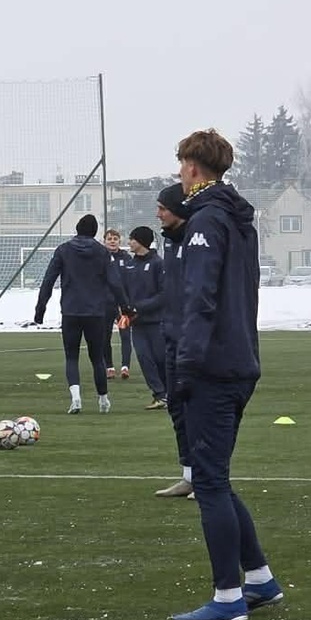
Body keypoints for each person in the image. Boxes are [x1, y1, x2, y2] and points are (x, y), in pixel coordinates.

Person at [169, 130, 282, 620]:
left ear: (194, 167)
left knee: (208, 482)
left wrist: (185, 365)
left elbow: (200, 299)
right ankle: (259, 580)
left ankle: (227, 598)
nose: (178, 173)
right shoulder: (238, 220)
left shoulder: (207, 221)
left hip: (212, 367)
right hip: (240, 361)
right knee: (219, 477)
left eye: (180, 164)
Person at [32, 214, 130, 413]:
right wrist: (125, 306)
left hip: (70, 310)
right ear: (95, 232)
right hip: (95, 312)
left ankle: (75, 397)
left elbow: (48, 280)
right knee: (97, 357)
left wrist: (40, 309)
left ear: (77, 229)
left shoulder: (64, 250)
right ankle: (103, 399)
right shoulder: (102, 253)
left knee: (71, 356)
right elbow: (114, 282)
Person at [154, 184, 194, 498]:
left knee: (199, 410)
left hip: (193, 340)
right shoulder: (170, 243)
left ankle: (207, 477)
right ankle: (189, 475)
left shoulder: (197, 239)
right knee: (176, 408)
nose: (158, 213)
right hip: (172, 337)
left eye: (162, 208)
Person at [123, 226, 168, 405]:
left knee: (161, 359)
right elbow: (124, 290)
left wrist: (139, 307)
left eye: (132, 239)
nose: (129, 242)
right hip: (137, 324)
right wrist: (123, 309)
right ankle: (159, 394)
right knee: (144, 358)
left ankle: (169, 393)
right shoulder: (130, 264)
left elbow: (164, 295)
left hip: (156, 322)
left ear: (141, 241)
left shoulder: (158, 263)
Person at [102, 229, 132, 380]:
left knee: (125, 334)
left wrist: (127, 301)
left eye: (115, 239)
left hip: (122, 304)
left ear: (119, 241)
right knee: (104, 336)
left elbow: (130, 280)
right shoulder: (100, 257)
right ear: (104, 241)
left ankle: (125, 367)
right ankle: (109, 367)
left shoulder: (126, 258)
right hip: (106, 304)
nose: (112, 241)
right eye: (109, 239)